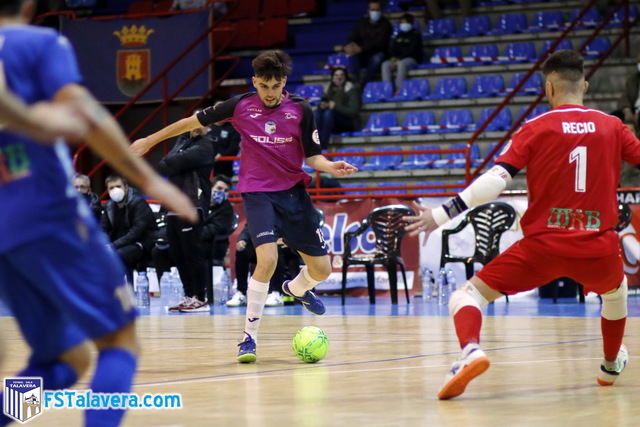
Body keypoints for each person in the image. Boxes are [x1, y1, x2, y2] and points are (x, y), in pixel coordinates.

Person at [0, 2, 196, 427]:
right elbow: (85, 113)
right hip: (46, 215)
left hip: (5, 233)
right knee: (119, 342)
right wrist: (152, 180)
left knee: (67, 360)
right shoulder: (39, 43)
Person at [405, 50, 635, 400]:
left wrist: (440, 214)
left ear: (549, 87)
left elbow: (496, 182)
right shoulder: (613, 126)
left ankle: (471, 351)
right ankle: (608, 365)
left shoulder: (534, 128)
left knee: (468, 295)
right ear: (584, 85)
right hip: (597, 246)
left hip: (541, 247)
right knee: (615, 295)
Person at [131, 49, 358, 363]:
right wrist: (150, 141)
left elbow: (311, 156)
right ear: (255, 82)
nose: (268, 93)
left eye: (274, 87)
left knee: (322, 269)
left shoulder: (301, 110)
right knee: (267, 260)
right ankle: (248, 338)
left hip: (293, 194)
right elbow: (190, 122)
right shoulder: (240, 105)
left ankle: (297, 287)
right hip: (257, 193)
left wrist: (330, 166)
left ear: (284, 83)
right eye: (263, 86)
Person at [157, 124, 214, 312]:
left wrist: (173, 159)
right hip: (172, 207)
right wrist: (181, 143)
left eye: (200, 125)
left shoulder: (206, 145)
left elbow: (174, 162)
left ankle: (200, 298)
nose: (196, 128)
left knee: (192, 254)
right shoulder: (183, 141)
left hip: (192, 206)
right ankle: (189, 295)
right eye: (193, 124)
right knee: (178, 255)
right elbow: (163, 164)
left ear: (208, 128)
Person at [101, 175, 158, 284]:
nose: (115, 190)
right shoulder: (109, 206)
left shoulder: (138, 203)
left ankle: (125, 289)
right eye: (111, 188)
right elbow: (103, 229)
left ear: (126, 187)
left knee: (119, 255)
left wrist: (113, 246)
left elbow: (136, 232)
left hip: (141, 242)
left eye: (118, 186)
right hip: (120, 243)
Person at [227, 224, 295, 308]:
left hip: (285, 245)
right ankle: (242, 292)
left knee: (276, 249)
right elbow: (249, 227)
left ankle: (276, 293)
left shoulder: (283, 213)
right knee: (242, 250)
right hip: (263, 246)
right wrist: (242, 240)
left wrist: (287, 240)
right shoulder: (260, 213)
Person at [341, 1, 392, 84]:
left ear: (381, 11)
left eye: (377, 10)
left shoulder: (386, 24)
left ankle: (364, 83)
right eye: (373, 10)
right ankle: (355, 82)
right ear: (368, 11)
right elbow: (353, 36)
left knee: (376, 59)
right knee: (353, 57)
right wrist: (349, 45)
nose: (375, 12)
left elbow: (380, 43)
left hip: (379, 52)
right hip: (363, 53)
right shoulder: (362, 22)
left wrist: (361, 48)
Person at [314, 67, 360, 149]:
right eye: (336, 75)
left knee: (328, 113)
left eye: (342, 75)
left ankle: (323, 147)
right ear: (332, 77)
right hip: (331, 122)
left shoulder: (351, 89)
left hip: (347, 122)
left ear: (345, 77)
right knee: (317, 113)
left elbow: (353, 112)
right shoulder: (329, 89)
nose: (339, 77)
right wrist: (322, 105)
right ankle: (314, 145)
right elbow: (323, 103)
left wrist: (336, 106)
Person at [381, 13, 423, 93]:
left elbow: (412, 50)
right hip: (397, 59)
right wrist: (393, 58)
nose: (403, 25)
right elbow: (392, 48)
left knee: (402, 64)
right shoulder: (398, 35)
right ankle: (387, 89)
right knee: (385, 64)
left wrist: (399, 59)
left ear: (411, 23)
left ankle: (399, 89)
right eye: (401, 23)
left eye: (405, 23)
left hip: (412, 59)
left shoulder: (416, 35)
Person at [209, 103, 240, 177]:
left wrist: (222, 155)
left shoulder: (233, 129)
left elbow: (234, 148)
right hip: (206, 165)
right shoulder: (207, 127)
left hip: (224, 167)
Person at [617, 52, 640, 131]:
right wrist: (627, 110)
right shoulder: (632, 79)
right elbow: (625, 96)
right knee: (615, 116)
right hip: (633, 109)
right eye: (639, 62)